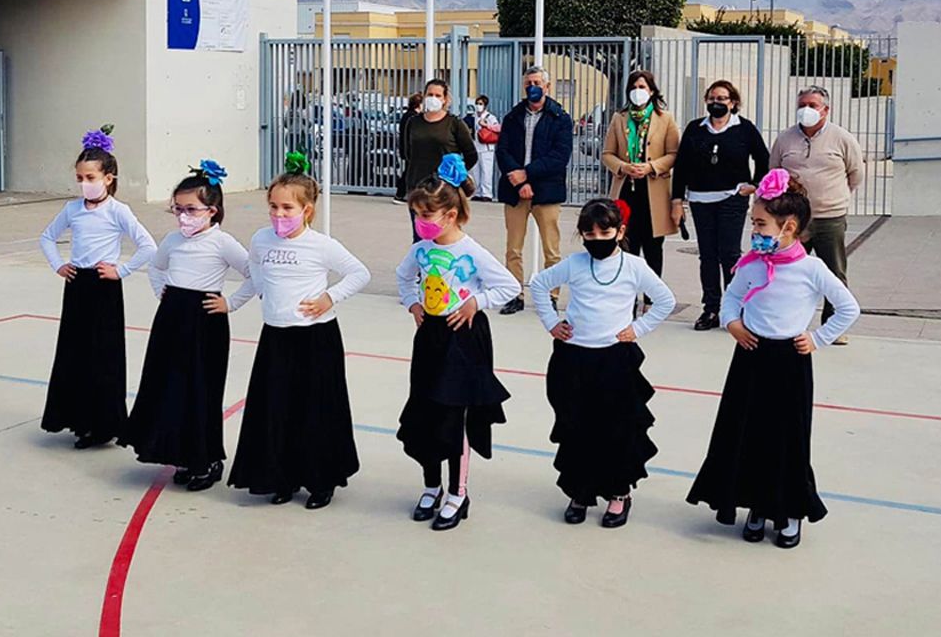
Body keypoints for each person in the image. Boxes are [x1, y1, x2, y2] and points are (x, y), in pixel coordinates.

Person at [686, 169, 860, 549]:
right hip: (750, 356)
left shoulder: (811, 269)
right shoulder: (751, 263)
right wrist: (732, 323)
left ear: (789, 227)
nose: (755, 231)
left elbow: (848, 307)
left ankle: (789, 511)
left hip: (789, 362)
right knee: (748, 432)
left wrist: (817, 338)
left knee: (787, 438)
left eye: (761, 224)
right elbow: (733, 297)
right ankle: (756, 504)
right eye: (754, 223)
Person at [226, 153, 370, 509]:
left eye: (287, 208)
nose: (279, 214)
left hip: (315, 337)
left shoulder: (321, 245)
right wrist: (258, 293)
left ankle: (320, 480)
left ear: (307, 210)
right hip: (276, 337)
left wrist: (329, 298)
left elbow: (359, 273)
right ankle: (282, 476)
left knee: (315, 409)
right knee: (277, 408)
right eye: (273, 207)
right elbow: (254, 269)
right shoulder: (262, 239)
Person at [529, 198, 676, 529]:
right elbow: (539, 284)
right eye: (589, 234)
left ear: (620, 231)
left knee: (616, 428)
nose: (597, 239)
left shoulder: (634, 266)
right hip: (575, 357)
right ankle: (580, 490)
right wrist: (552, 322)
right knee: (578, 426)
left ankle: (618, 492)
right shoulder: (575, 264)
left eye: (604, 232)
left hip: (615, 358)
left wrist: (637, 329)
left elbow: (665, 300)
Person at [395, 154, 518, 533]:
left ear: (450, 215)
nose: (420, 222)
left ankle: (457, 493)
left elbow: (509, 286)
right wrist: (413, 303)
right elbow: (403, 277)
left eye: (426, 215)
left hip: (462, 340)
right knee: (426, 412)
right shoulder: (420, 249)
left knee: (453, 417)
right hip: (431, 337)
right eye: (417, 215)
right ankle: (431, 486)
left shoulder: (471, 251)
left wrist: (476, 302)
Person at [131, 160, 250, 490]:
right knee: (170, 386)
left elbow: (254, 274)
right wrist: (162, 290)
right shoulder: (172, 240)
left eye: (192, 209)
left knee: (201, 389)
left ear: (212, 211)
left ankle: (207, 459)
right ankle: (181, 454)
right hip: (171, 319)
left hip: (205, 321)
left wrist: (230, 303)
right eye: (178, 209)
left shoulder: (222, 243)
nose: (184, 216)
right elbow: (156, 267)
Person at [37, 127, 157, 449]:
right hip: (77, 284)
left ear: (108, 178)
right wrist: (59, 264)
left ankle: (104, 424)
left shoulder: (118, 211)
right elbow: (47, 237)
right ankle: (77, 419)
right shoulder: (72, 209)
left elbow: (148, 245)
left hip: (104, 287)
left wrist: (122, 270)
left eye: (90, 177)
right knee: (74, 352)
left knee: (103, 355)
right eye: (79, 178)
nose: (84, 183)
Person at [768, 87, 865, 345]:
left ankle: (833, 326)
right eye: (802, 105)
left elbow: (856, 174)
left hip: (829, 217)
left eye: (812, 105)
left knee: (834, 272)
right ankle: (784, 324)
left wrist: (835, 197)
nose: (806, 110)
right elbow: (774, 171)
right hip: (794, 220)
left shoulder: (842, 138)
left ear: (825, 110)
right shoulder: (785, 139)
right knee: (787, 271)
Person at [671, 80, 770, 331]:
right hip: (700, 200)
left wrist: (754, 185)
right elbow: (681, 166)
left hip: (732, 199)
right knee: (707, 256)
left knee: (730, 254)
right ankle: (711, 308)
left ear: (733, 102)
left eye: (722, 98)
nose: (717, 103)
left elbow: (763, 159)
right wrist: (677, 200)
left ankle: (735, 308)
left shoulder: (744, 128)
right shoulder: (695, 129)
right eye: (712, 98)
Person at [495, 66, 574, 314]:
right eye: (528, 83)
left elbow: (559, 157)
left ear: (547, 86)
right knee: (513, 249)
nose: (533, 87)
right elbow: (502, 151)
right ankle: (515, 294)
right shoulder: (513, 116)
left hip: (547, 191)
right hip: (515, 191)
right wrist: (520, 182)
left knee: (551, 250)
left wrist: (527, 174)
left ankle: (551, 296)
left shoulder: (560, 118)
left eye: (537, 83)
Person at [600, 69, 680, 278]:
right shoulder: (619, 118)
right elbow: (607, 154)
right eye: (634, 87)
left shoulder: (665, 119)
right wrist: (623, 167)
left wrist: (651, 167)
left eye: (642, 87)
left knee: (653, 249)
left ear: (651, 91)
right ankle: (628, 292)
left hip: (654, 194)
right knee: (627, 245)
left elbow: (673, 154)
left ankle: (652, 293)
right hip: (626, 191)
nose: (638, 91)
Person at [400, 78, 477, 242]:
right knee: (420, 236)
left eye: (437, 95)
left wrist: (455, 175)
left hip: (445, 190)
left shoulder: (454, 124)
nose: (433, 98)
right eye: (430, 94)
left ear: (445, 99)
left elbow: (471, 155)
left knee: (445, 236)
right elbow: (406, 152)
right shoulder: (413, 122)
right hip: (418, 186)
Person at [469, 94, 500, 201]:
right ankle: (477, 192)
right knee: (475, 171)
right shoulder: (473, 117)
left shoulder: (490, 117)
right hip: (476, 147)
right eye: (477, 103)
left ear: (485, 105)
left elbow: (498, 128)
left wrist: (486, 125)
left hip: (487, 148)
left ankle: (487, 193)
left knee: (486, 171)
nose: (478, 106)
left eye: (480, 104)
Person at [394, 92, 424, 200]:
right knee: (409, 172)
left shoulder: (408, 115)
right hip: (411, 150)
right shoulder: (412, 117)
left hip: (408, 149)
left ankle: (405, 193)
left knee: (410, 171)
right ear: (419, 104)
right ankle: (400, 194)